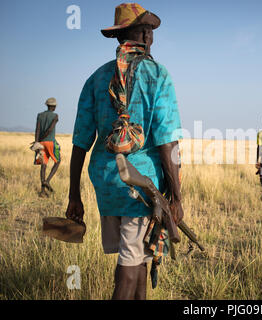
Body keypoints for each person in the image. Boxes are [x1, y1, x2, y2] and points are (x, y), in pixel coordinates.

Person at [65, 3, 184, 300]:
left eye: (151, 30)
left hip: (105, 183)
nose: (150, 35)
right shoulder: (157, 75)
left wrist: (74, 195)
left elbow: (81, 142)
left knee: (135, 255)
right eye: (144, 29)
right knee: (130, 267)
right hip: (139, 186)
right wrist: (177, 198)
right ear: (132, 35)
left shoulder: (95, 79)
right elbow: (167, 142)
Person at [34, 97, 61, 196]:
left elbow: (37, 129)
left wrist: (37, 142)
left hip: (41, 143)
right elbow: (50, 130)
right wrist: (44, 137)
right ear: (54, 107)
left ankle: (42, 191)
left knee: (43, 164)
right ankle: (47, 181)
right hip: (50, 142)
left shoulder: (40, 115)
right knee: (57, 161)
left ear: (47, 105)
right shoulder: (55, 116)